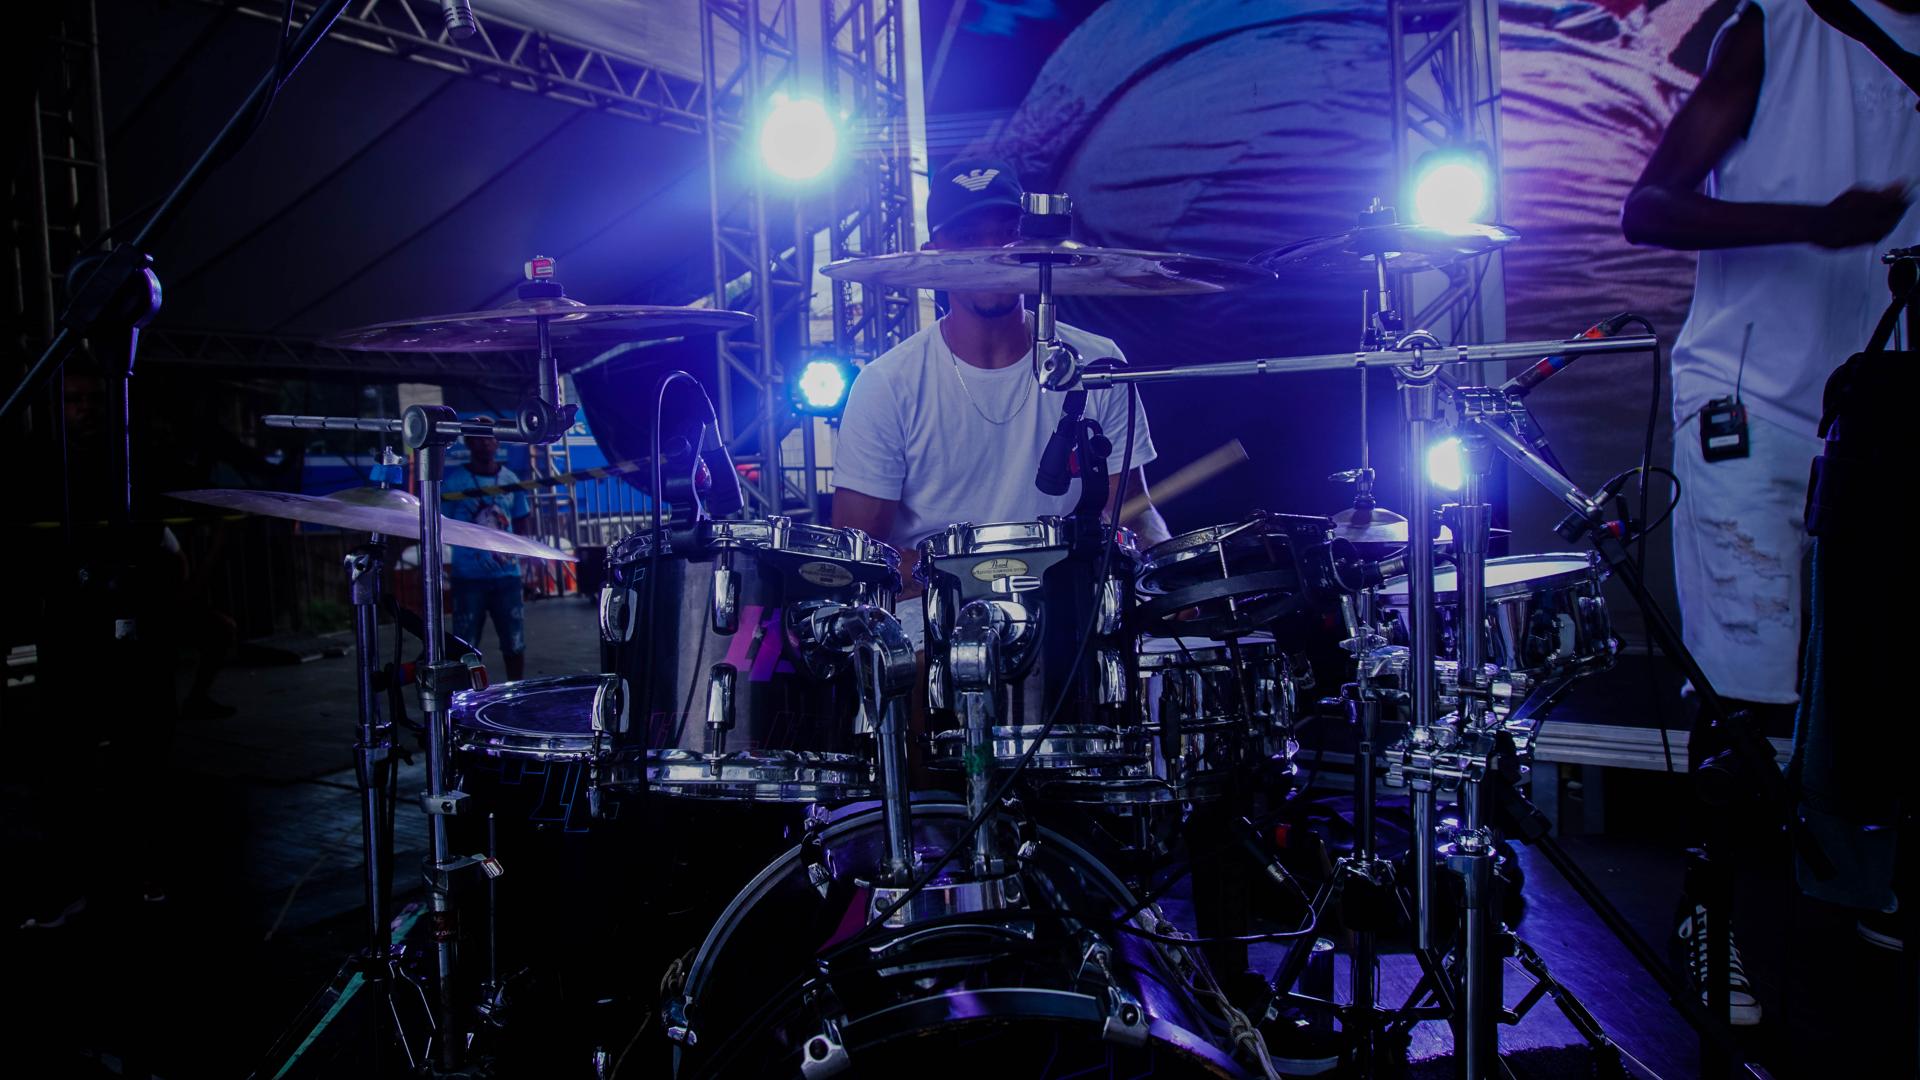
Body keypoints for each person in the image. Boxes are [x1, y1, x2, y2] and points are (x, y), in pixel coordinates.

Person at [1622, 0, 1919, 1025]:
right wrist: (1813, 220)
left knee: (1874, 676)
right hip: (1753, 400)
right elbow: (1649, 207)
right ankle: (1715, 920)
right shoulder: (1780, 24)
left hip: (1886, 404)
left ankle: (1861, 885)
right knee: (1752, 692)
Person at [831, 156, 1172, 584]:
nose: (994, 254)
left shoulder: (1096, 364)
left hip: (1071, 605)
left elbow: (1134, 511)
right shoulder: (887, 385)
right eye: (968, 238)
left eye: (1008, 234)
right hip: (938, 611)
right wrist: (980, 577)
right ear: (934, 257)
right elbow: (857, 556)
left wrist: (1165, 569)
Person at [441, 421, 533, 681]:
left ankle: (516, 691)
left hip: (507, 577)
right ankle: (463, 695)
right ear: (469, 443)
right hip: (468, 578)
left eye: (489, 437)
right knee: (464, 645)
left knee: (514, 642)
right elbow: (443, 524)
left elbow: (521, 518)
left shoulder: (510, 479)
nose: (485, 443)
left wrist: (521, 559)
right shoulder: (455, 482)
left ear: (497, 442)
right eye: (478, 438)